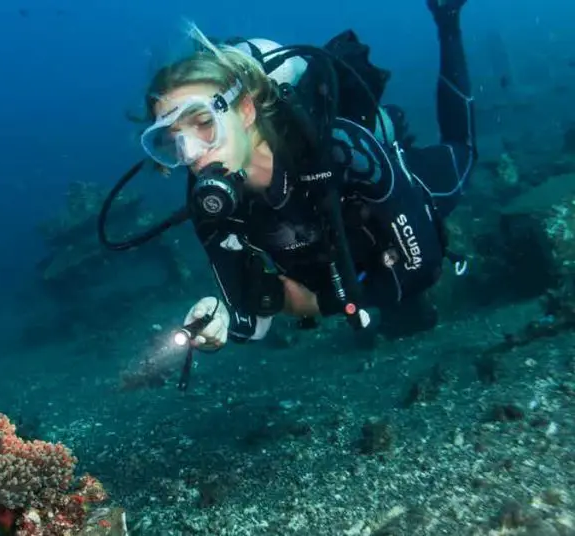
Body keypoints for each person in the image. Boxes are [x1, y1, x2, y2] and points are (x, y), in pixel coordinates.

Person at [127, 0, 476, 349]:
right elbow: (252, 317)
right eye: (174, 141)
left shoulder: (342, 149)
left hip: (399, 209)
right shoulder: (211, 202)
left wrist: (320, 304)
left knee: (462, 152)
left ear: (246, 110)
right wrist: (219, 318)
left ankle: (447, 20)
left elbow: (424, 265)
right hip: (342, 265)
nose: (191, 154)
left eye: (204, 123)